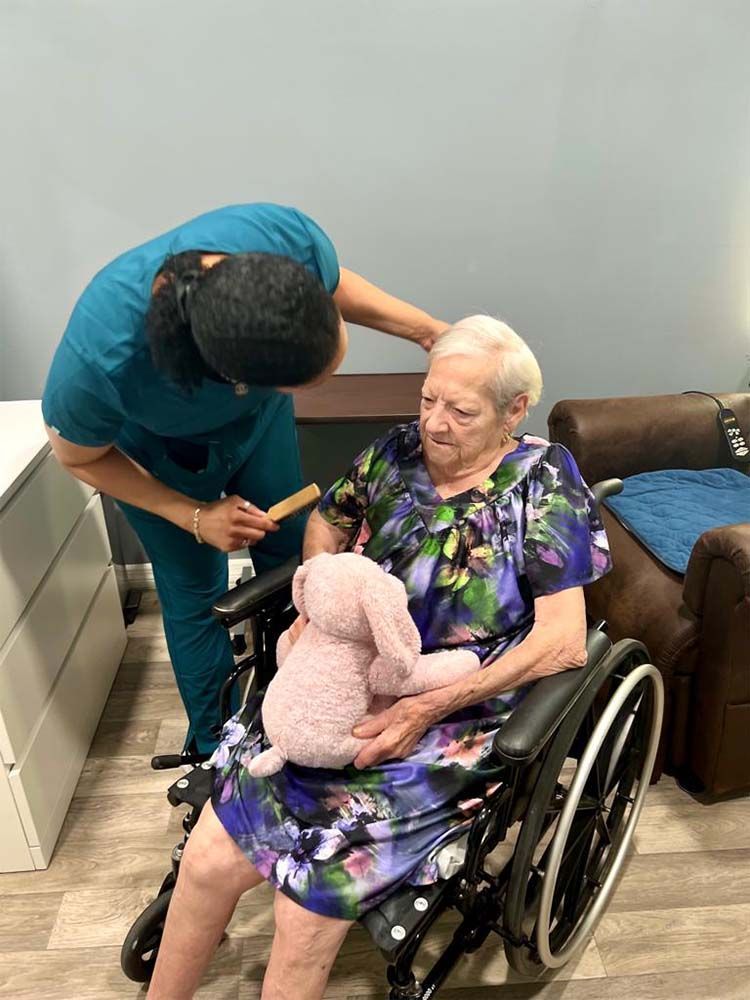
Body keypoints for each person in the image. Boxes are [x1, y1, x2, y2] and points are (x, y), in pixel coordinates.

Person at [144, 315, 613, 1000]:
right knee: (210, 858)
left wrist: (429, 704)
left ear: (515, 411)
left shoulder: (544, 482)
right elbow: (325, 522)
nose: (435, 423)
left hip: (453, 711)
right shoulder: (392, 453)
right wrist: (313, 601)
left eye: (461, 410)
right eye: (428, 400)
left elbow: (562, 640)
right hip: (338, 685)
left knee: (303, 908)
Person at [42, 203, 447, 753]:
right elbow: (79, 457)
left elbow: (337, 285)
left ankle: (304, 702)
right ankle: (218, 745)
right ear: (232, 378)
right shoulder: (101, 362)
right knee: (195, 591)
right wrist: (192, 515)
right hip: (157, 457)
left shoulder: (278, 235)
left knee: (293, 554)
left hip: (256, 426)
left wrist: (430, 333)